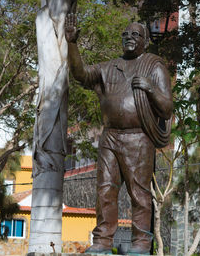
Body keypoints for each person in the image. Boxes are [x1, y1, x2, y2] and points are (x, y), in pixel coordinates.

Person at [65, 13, 173, 255]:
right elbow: (80, 73)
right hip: (110, 137)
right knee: (105, 189)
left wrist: (150, 88)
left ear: (145, 40)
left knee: (139, 193)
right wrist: (72, 44)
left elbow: (166, 108)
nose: (129, 38)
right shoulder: (108, 67)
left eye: (135, 34)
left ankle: (141, 243)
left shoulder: (154, 66)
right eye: (125, 35)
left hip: (139, 137)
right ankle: (102, 241)